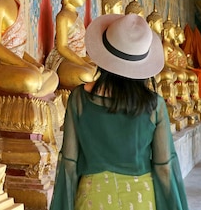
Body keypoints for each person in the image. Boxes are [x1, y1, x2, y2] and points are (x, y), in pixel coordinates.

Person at [50, 14, 189, 210]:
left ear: (104, 53)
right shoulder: (154, 105)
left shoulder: (79, 99)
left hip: (92, 198)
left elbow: (69, 163)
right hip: (141, 199)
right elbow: (164, 167)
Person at [44, 0, 96, 89]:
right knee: (87, 73)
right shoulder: (62, 16)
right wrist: (82, 63)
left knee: (103, 70)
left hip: (79, 58)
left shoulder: (77, 16)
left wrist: (84, 61)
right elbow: (62, 47)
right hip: (64, 60)